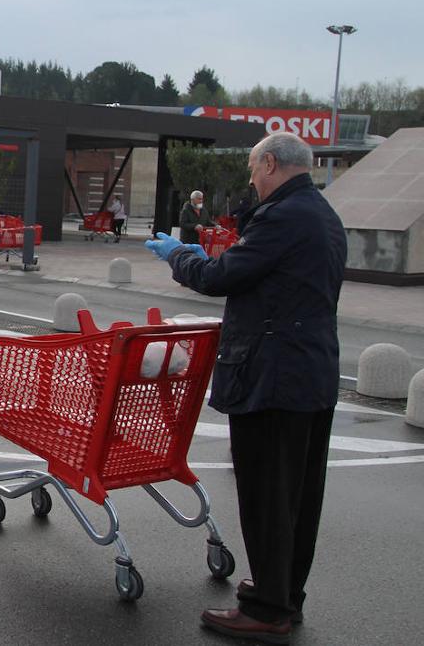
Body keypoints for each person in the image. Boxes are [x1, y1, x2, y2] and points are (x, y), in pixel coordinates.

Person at [145, 133, 344, 643]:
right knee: (298, 497)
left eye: (255, 171)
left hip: (272, 378)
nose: (252, 182)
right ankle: (284, 593)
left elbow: (221, 276)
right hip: (311, 376)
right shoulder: (323, 214)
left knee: (265, 495)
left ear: (271, 163)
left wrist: (178, 255)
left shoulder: (282, 216)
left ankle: (267, 610)